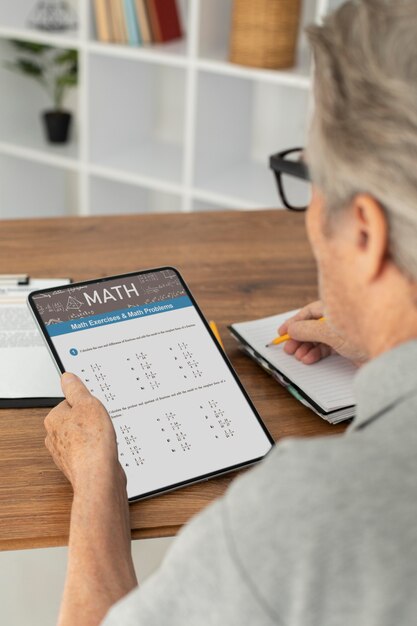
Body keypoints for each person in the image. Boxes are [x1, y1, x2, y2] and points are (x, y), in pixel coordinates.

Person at [44, 1, 417, 624]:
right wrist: (389, 332)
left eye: (310, 179)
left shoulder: (301, 518)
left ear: (365, 233)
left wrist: (97, 486)